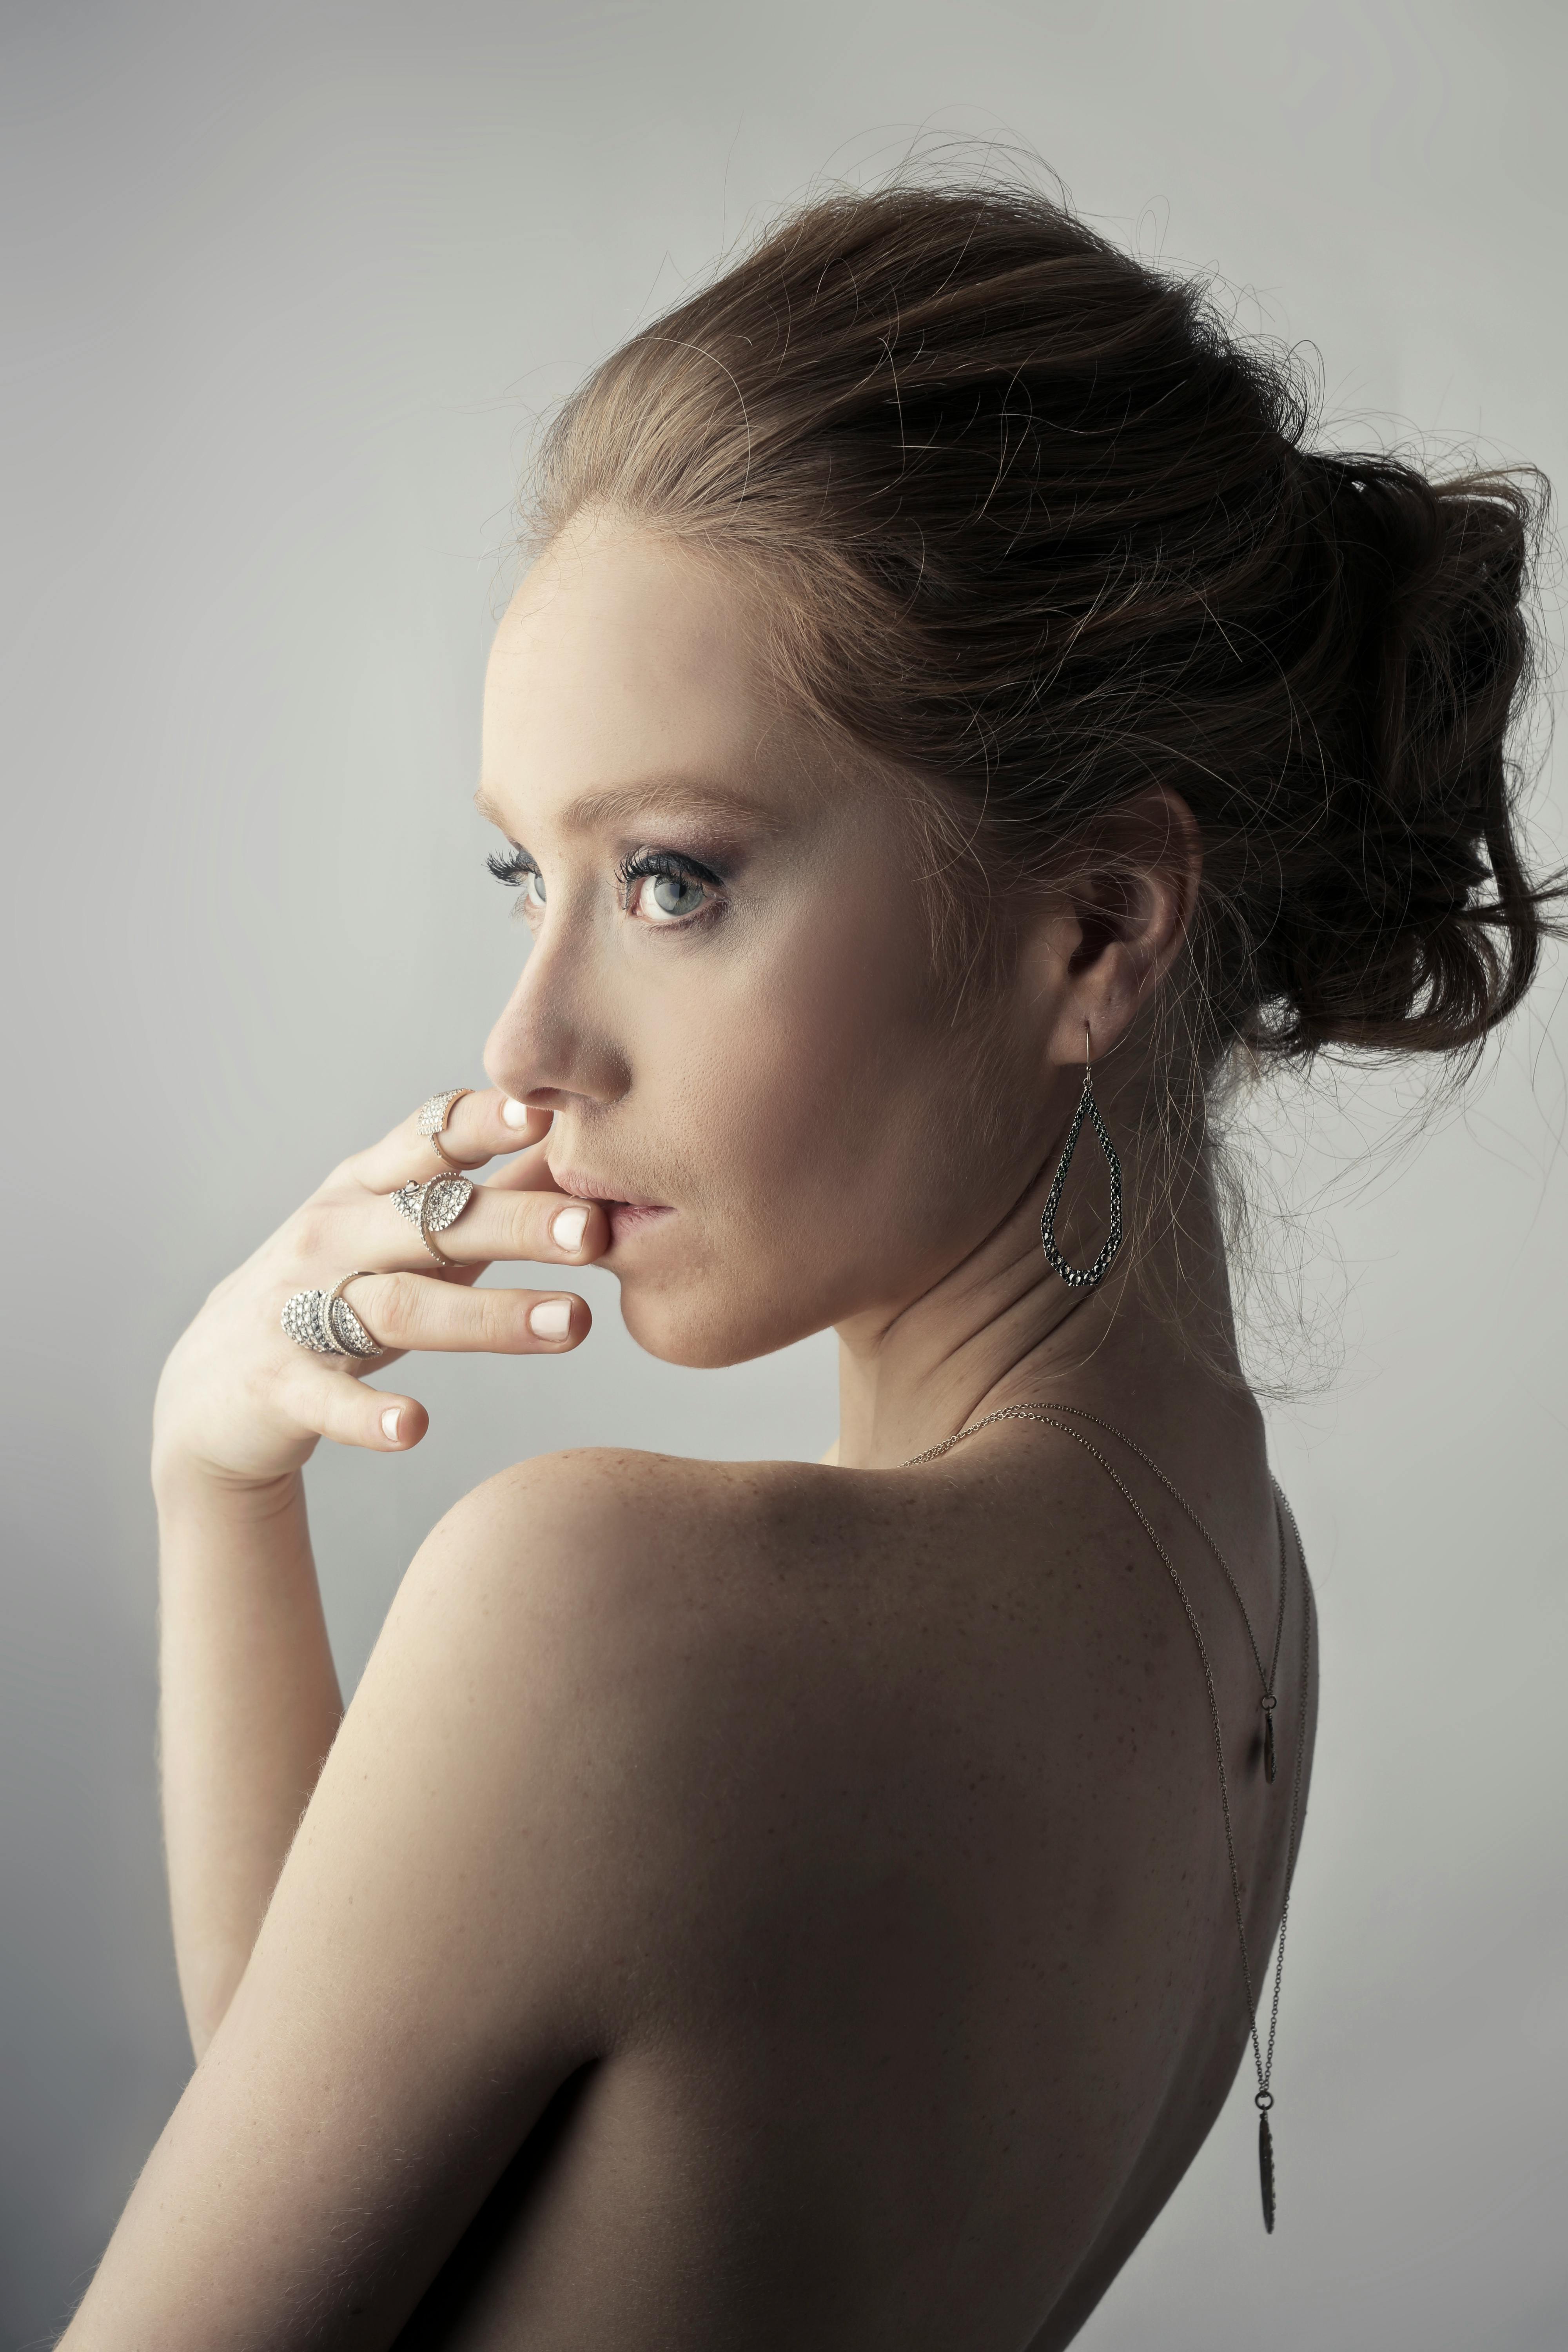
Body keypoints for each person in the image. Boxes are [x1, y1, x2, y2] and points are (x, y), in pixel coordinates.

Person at [60, 179, 1555, 2349]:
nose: (527, 1049)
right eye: (526, 872)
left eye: (671, 878)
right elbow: (351, 2113)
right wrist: (223, 1481)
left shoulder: (611, 1617)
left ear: (1097, 933)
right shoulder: (1236, 1584)